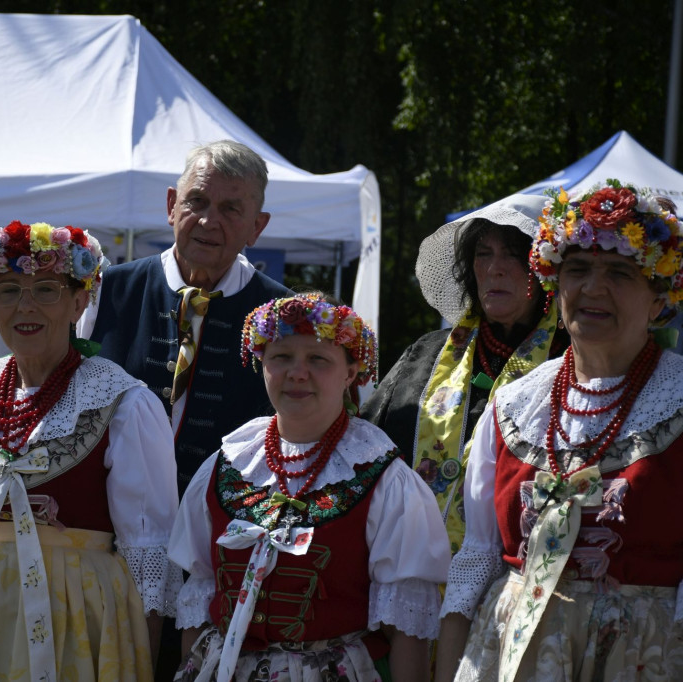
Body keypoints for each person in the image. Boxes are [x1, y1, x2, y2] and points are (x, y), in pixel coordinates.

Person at [0, 220, 181, 682]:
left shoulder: (122, 401)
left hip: (74, 623)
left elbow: (147, 552)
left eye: (46, 289)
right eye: (7, 291)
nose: (26, 306)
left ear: (79, 302)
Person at [435, 182, 683, 681]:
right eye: (577, 271)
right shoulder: (514, 404)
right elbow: (479, 557)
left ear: (659, 299)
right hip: (510, 656)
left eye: (619, 273)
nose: (593, 288)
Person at [169, 293, 450, 682]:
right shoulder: (226, 464)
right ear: (262, 363)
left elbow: (406, 632)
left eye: (318, 360)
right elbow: (198, 603)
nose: (298, 373)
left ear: (351, 372)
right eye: (282, 357)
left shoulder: (385, 478)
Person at [79, 140, 293, 495]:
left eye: (230, 209)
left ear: (257, 227)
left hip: (227, 526)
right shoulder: (106, 291)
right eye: (197, 201)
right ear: (171, 206)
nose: (209, 221)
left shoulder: (283, 314)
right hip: (109, 516)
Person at [361, 195, 567, 554]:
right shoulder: (426, 355)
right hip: (408, 568)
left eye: (513, 254)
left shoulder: (569, 360)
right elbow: (367, 451)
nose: (494, 269)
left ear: (544, 268)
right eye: (483, 254)